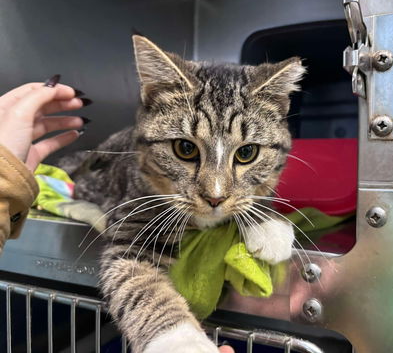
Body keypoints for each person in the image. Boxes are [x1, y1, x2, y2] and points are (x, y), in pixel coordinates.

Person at [0, 77, 234, 353]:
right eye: (186, 148)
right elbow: (129, 259)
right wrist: (171, 335)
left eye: (244, 154)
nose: (215, 193)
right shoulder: (145, 176)